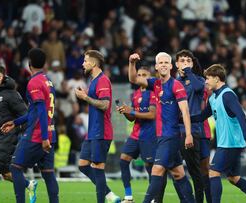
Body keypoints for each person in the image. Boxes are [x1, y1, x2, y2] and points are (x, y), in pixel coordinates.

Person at [191, 64, 246, 203]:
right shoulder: (214, 97)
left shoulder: (227, 95)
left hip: (230, 143)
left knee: (213, 173)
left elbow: (241, 115)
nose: (205, 81)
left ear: (217, 78)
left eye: (207, 78)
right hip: (227, 143)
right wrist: (181, 119)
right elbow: (202, 117)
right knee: (234, 178)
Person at [128, 52, 195, 203]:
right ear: (157, 67)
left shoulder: (176, 85)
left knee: (156, 170)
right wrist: (132, 63)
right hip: (160, 137)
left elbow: (185, 110)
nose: (164, 65)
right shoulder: (155, 84)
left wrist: (189, 134)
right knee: (178, 173)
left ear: (171, 66)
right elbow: (133, 79)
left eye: (166, 62)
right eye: (161, 63)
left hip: (170, 136)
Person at [0, 48, 59, 203]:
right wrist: (15, 122)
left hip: (37, 135)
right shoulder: (48, 81)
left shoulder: (34, 82)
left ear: (29, 63)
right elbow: (36, 111)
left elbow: (40, 111)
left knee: (15, 167)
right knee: (48, 173)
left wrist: (44, 138)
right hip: (50, 133)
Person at [75, 50, 120, 203]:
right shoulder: (93, 81)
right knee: (83, 165)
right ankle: (109, 195)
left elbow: (105, 104)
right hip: (93, 132)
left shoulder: (102, 80)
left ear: (93, 63)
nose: (83, 63)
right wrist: (87, 94)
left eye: (85, 60)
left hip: (101, 131)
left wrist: (86, 97)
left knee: (98, 168)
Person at [0, 64, 35, 200]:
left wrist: (22, 133)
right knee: (6, 173)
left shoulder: (11, 94)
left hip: (6, 137)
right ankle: (29, 184)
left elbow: (25, 115)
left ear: (0, 78)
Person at [116, 67, 158, 202]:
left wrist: (132, 111)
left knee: (150, 167)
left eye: (144, 75)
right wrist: (126, 111)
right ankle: (128, 197)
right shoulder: (135, 94)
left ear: (150, 77)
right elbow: (132, 118)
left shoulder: (153, 92)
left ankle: (153, 199)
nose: (140, 77)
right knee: (123, 161)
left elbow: (152, 115)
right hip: (135, 134)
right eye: (138, 74)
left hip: (149, 135)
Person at [175, 49, 210, 203]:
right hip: (176, 131)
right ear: (176, 64)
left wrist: (189, 72)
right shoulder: (173, 82)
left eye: (188, 61)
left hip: (195, 130)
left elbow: (197, 88)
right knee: (174, 169)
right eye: (182, 61)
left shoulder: (198, 80)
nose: (185, 63)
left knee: (200, 171)